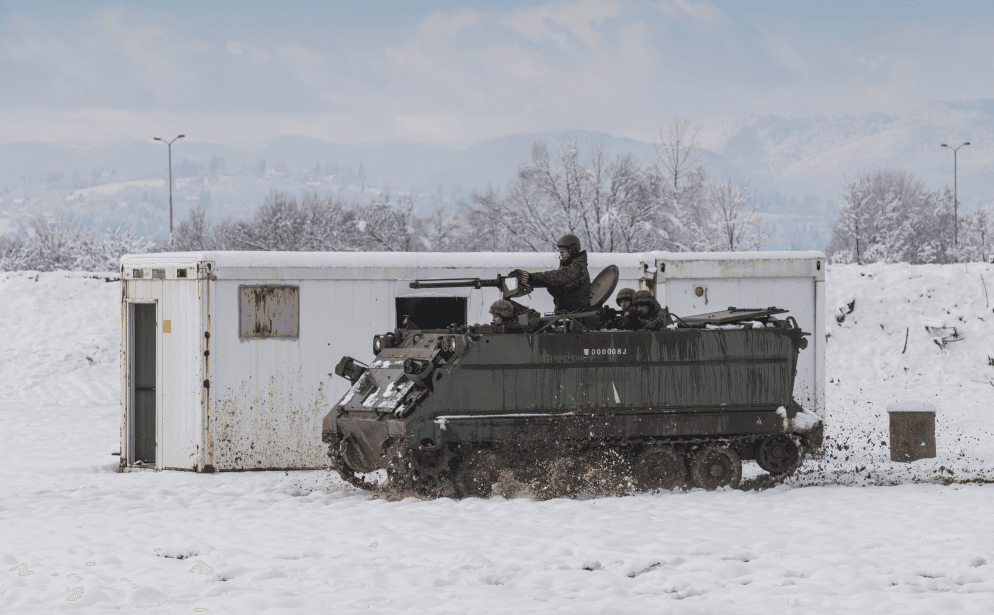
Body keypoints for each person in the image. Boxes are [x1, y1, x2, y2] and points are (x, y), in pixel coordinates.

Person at [518, 234, 591, 314]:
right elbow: (551, 281)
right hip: (566, 315)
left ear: (573, 250)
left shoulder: (577, 269)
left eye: (563, 252)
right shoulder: (567, 267)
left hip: (577, 317)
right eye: (560, 252)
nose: (561, 255)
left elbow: (556, 277)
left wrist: (531, 277)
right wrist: (526, 281)